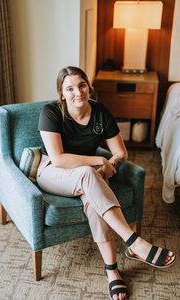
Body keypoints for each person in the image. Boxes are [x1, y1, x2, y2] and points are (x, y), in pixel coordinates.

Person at [36, 66, 175, 300]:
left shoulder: (101, 112)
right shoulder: (50, 112)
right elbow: (58, 158)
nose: (77, 92)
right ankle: (133, 242)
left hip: (88, 175)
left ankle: (112, 271)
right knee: (88, 175)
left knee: (94, 201)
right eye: (69, 88)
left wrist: (107, 167)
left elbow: (121, 153)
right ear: (61, 94)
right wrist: (99, 160)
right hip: (52, 172)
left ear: (89, 86)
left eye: (81, 85)